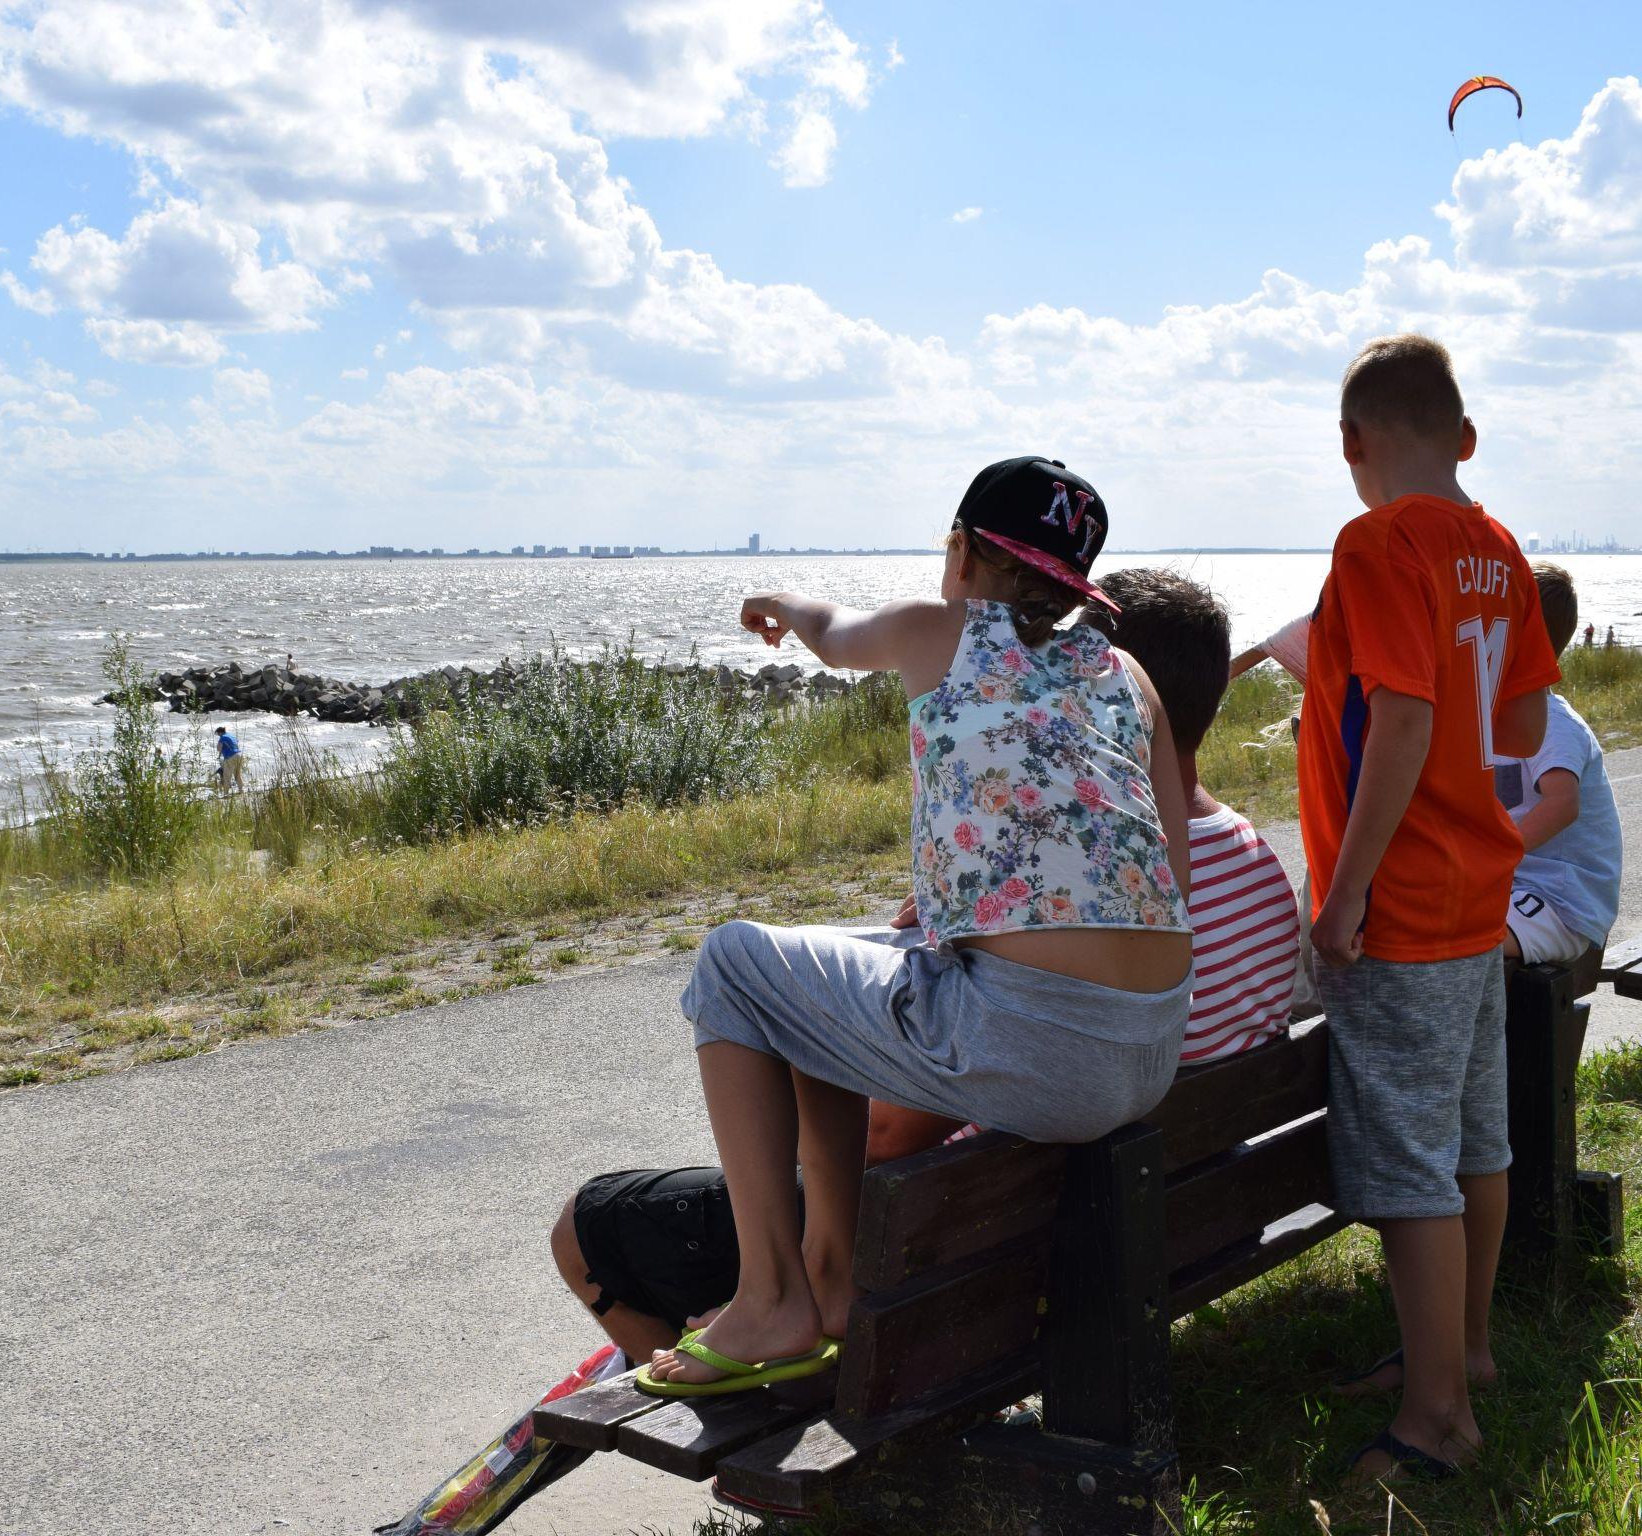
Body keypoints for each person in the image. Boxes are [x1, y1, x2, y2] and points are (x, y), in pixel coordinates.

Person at [555, 568, 1298, 1366]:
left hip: (995, 1247)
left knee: (593, 1222)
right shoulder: (1252, 862)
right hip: (1188, 1221)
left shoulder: (1062, 900)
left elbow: (887, 1134)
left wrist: (952, 947)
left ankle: (770, 1340)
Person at [634, 457, 1195, 1396]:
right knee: (819, 966)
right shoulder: (1127, 674)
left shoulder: (937, 629)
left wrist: (784, 601)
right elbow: (1166, 876)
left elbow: (831, 635)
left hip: (1042, 1050)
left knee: (732, 962)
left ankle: (770, 1298)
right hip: (1149, 1050)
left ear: (964, 551)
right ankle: (830, 1277)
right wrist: (975, 906)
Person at [1299, 334, 1557, 1482]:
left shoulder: (1374, 542)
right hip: (1477, 888)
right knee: (1472, 1143)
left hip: (1400, 904)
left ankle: (1435, 1420)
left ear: (1349, 443)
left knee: (1409, 1169)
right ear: (1464, 438)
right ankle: (1464, 1352)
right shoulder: (1496, 547)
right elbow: (1520, 726)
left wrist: (1343, 892)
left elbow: (1400, 719)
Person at [1494, 564, 1621, 964]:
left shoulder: (1554, 724)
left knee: (1465, 945)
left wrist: (1491, 858)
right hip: (1517, 883)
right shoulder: (1500, 721)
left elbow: (1562, 804)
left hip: (1561, 901)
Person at [215, 726, 245, 793]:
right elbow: (233, 746)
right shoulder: (232, 736)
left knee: (227, 776)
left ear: (220, 732)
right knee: (237, 775)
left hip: (230, 757)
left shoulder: (222, 737)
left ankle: (226, 793)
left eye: (218, 734)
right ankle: (241, 790)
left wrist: (221, 752)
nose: (218, 736)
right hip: (239, 755)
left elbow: (218, 748)